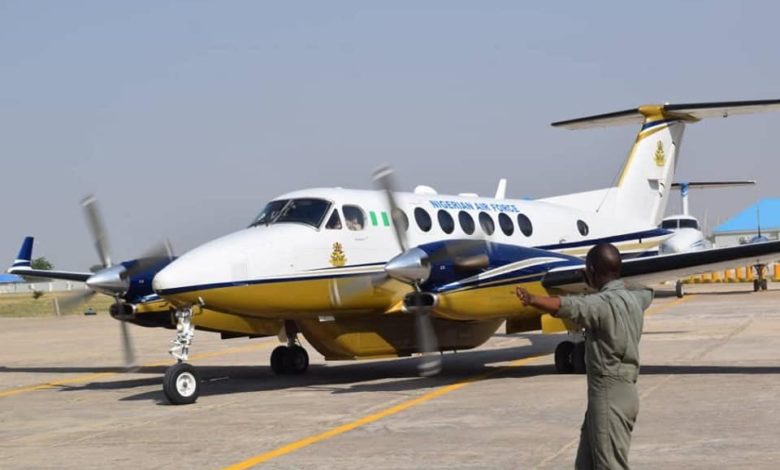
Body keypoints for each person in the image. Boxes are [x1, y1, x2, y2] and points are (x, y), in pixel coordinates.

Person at [516, 243, 653, 470]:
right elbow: (648, 291)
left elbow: (568, 305)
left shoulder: (600, 305)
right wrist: (607, 278)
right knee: (586, 464)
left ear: (591, 270)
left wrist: (532, 299)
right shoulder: (634, 300)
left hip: (608, 394)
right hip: (624, 393)